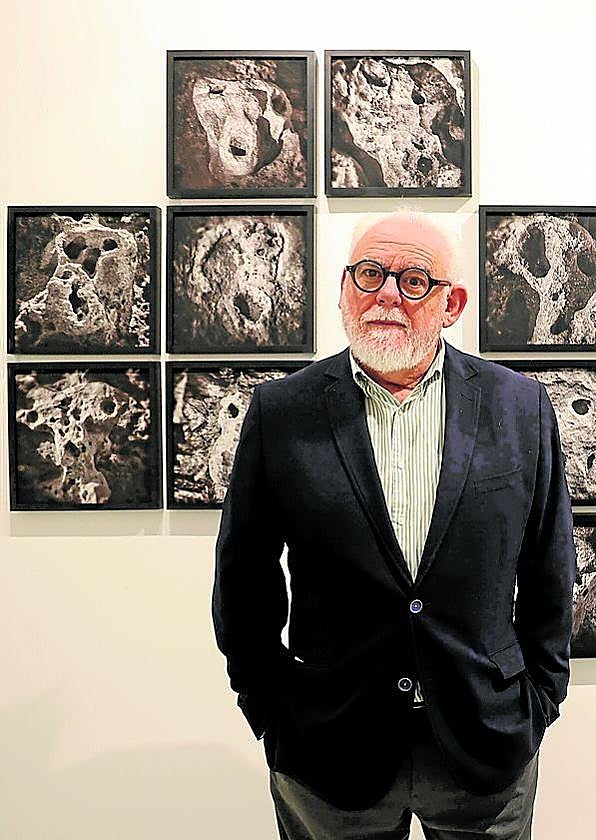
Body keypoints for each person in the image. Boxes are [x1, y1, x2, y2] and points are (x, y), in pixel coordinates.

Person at [212, 212, 576, 839]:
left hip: (483, 743)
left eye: (412, 280)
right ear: (345, 287)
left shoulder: (519, 407)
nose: (385, 295)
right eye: (371, 274)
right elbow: (243, 582)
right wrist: (271, 712)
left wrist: (538, 702)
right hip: (329, 749)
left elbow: (550, 569)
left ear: (451, 303)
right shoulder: (282, 411)